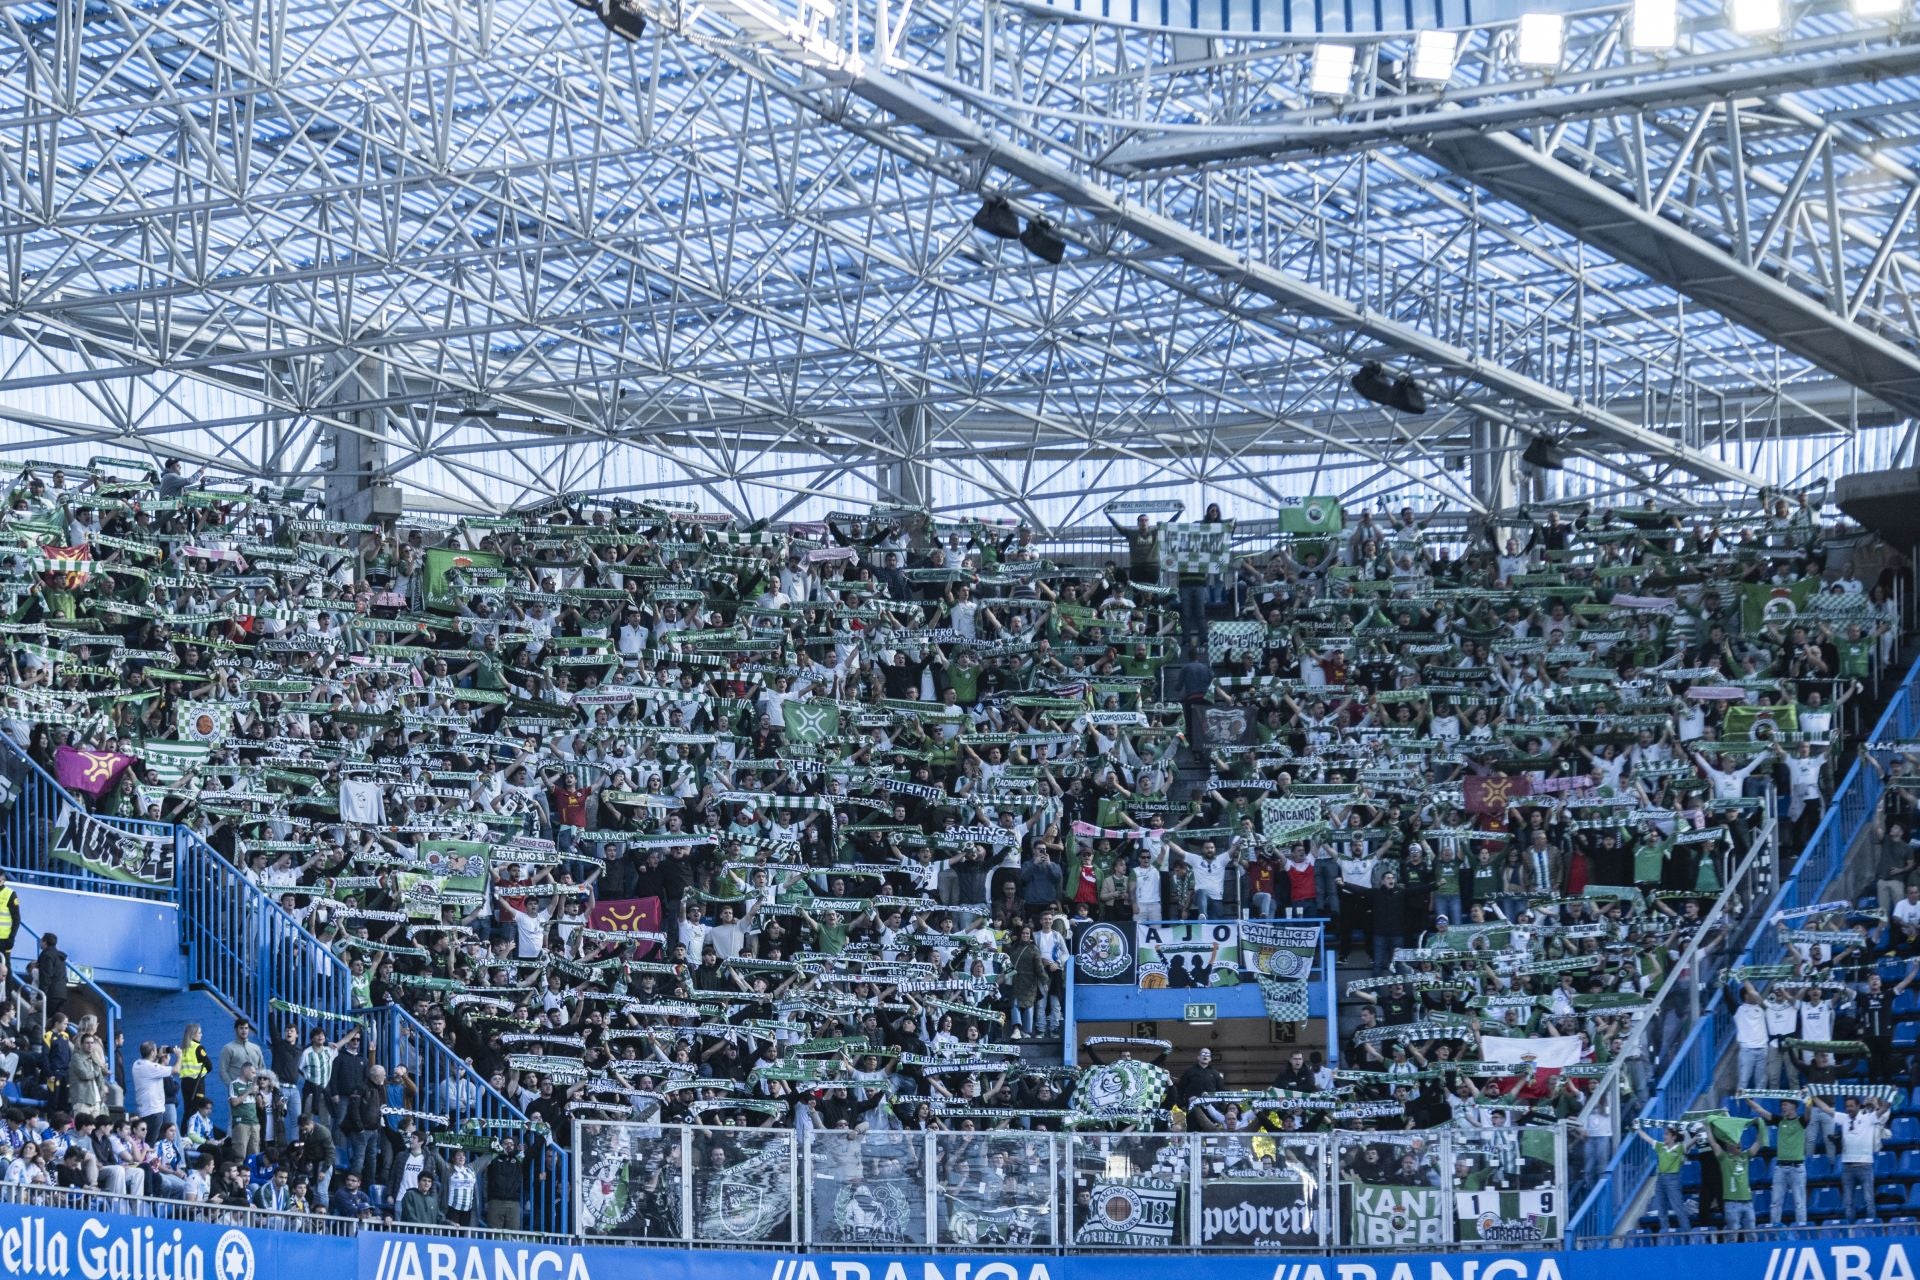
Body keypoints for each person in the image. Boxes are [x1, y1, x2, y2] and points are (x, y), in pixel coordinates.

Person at [1814, 1093, 1892, 1222]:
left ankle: (1871, 1228)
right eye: (1846, 1106)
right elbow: (1826, 1109)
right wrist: (1813, 1097)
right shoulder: (1844, 1118)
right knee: (1848, 1202)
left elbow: (1884, 1109)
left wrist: (1890, 1094)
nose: (1848, 1108)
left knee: (1869, 1200)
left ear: (1858, 1106)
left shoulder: (1869, 1118)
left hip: (1865, 1166)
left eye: (1851, 1106)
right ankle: (1850, 1229)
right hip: (1847, 1167)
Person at [1743, 1095, 1808, 1227]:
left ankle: (1802, 1230)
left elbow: (1809, 1112)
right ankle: (1774, 1230)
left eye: (1785, 1104)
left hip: (1797, 1168)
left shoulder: (1801, 1120)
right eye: (1782, 1104)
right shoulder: (1779, 1120)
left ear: (1794, 1106)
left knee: (1800, 1203)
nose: (1782, 1107)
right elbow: (1760, 1111)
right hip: (1780, 1168)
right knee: (1775, 1202)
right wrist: (1746, 1099)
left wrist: (1808, 1099)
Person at [1636, 1124, 1691, 1233]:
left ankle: (1687, 1234)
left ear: (1673, 1137)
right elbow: (1647, 1138)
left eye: (1666, 1134)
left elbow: (1691, 1142)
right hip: (1660, 1179)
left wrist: (1698, 1133)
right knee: (1661, 1210)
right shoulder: (1661, 1146)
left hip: (1673, 1180)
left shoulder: (1680, 1148)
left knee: (1678, 1208)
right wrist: (1637, 1128)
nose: (1663, 1136)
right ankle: (1665, 1235)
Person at [128, 1042, 178, 1141]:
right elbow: (176, 1070)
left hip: (144, 1110)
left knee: (146, 1140)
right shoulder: (152, 1068)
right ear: (152, 1052)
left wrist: (157, 1056)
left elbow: (151, 1065)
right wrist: (179, 1056)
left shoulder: (136, 1064)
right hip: (154, 1111)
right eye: (155, 1050)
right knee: (152, 1142)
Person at [176, 1024, 211, 1122]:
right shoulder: (198, 1048)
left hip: (185, 1083)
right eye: (199, 1033)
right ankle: (195, 1133)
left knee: (188, 1110)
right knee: (198, 1110)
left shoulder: (183, 1048)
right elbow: (209, 1065)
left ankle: (184, 1133)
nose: (201, 1035)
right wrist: (201, 1073)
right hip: (197, 1083)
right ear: (192, 1035)